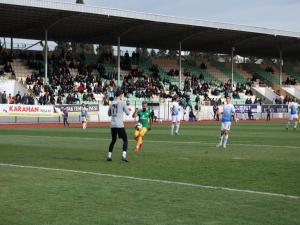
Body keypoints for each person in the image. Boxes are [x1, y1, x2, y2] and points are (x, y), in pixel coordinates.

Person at [107, 89, 131, 162]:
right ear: (120, 95)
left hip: (113, 124)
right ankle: (123, 156)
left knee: (113, 140)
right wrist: (128, 109)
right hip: (119, 124)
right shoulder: (122, 102)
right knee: (125, 140)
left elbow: (109, 114)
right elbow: (128, 113)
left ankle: (109, 155)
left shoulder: (111, 103)